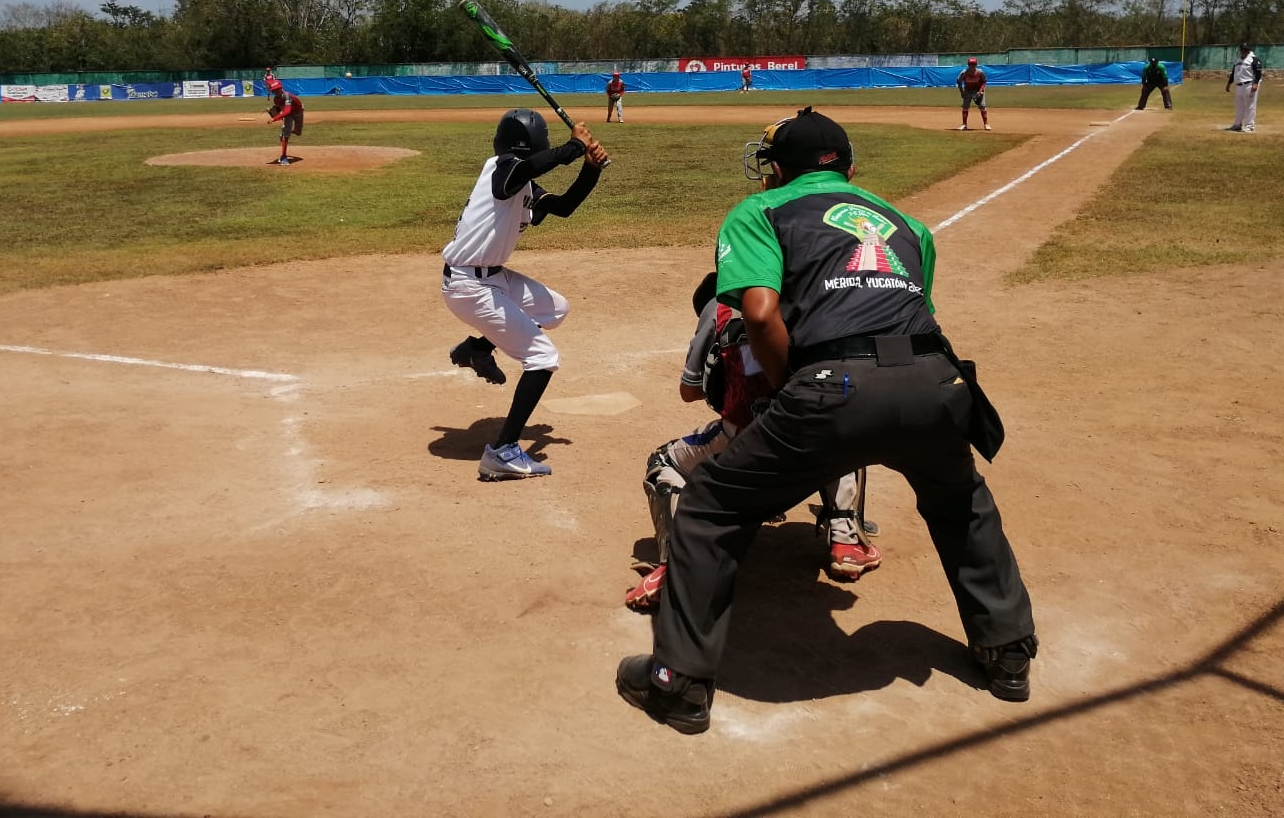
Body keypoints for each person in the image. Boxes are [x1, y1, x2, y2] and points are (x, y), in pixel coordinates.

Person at [616, 107, 1036, 735]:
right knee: (960, 501)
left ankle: (678, 683)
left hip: (833, 384)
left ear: (777, 169)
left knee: (710, 505)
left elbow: (759, 313)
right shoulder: (908, 223)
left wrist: (792, 388)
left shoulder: (761, 210)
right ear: (849, 167)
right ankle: (1007, 654)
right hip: (937, 381)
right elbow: (910, 314)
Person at [624, 269, 879, 611]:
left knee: (662, 462)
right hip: (813, 433)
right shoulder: (806, 296)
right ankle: (848, 541)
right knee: (840, 421)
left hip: (747, 437)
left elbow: (689, 391)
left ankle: (678, 566)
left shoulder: (718, 307)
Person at [441, 108, 608, 481]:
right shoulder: (501, 170)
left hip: (492, 278)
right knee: (543, 356)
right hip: (469, 286)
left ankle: (478, 348)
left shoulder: (523, 182)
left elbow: (563, 208)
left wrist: (589, 168)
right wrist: (571, 148)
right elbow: (520, 171)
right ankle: (502, 452)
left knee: (556, 309)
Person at [1224, 41, 1263, 132]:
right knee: (1239, 106)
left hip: (1249, 85)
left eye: (1246, 50)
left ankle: (1249, 125)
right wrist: (1229, 83)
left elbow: (1258, 72)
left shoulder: (1254, 59)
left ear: (1249, 50)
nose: (1244, 51)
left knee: (1250, 106)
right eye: (1242, 50)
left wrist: (1256, 83)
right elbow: (1234, 73)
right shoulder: (1238, 60)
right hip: (1239, 86)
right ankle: (1237, 124)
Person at [266, 86, 303, 164]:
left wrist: (274, 118)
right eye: (274, 91)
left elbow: (287, 111)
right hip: (288, 114)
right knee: (286, 134)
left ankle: (288, 131)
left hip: (298, 111)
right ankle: (283, 157)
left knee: (298, 132)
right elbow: (284, 112)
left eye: (277, 89)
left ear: (281, 89)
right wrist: (277, 113)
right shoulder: (276, 100)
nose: (276, 92)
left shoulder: (287, 96)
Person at [957, 57, 990, 131]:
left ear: (976, 65)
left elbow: (984, 81)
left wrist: (981, 90)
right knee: (965, 107)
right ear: (968, 65)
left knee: (982, 106)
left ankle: (986, 124)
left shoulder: (980, 72)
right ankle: (964, 125)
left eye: (974, 64)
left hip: (978, 90)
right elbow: (959, 81)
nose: (972, 66)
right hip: (968, 90)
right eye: (970, 64)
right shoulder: (964, 73)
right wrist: (962, 92)